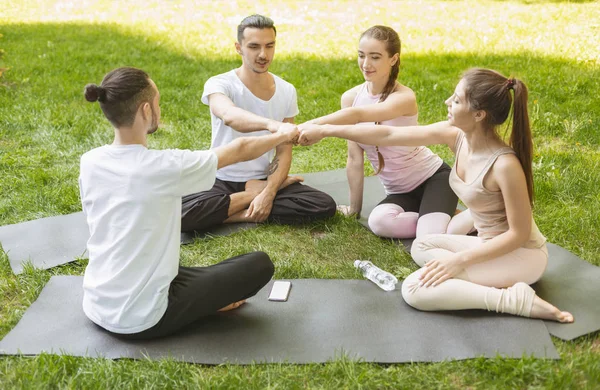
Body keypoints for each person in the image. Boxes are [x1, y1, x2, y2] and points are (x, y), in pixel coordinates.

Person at [298, 68, 573, 323]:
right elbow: (388, 132)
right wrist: (325, 130)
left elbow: (519, 235)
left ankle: (513, 300)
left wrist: (458, 261)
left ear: (479, 114)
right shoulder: (457, 136)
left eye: (456, 100)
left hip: (521, 256)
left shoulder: (504, 165)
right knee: (422, 245)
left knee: (414, 289)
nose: (446, 102)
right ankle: (481, 280)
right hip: (488, 244)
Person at [80, 67, 299, 339]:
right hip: (143, 318)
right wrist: (282, 133)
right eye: (158, 102)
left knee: (195, 273)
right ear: (146, 110)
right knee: (259, 264)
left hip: (97, 302)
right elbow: (239, 150)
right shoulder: (163, 167)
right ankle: (204, 304)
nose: (160, 108)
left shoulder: (90, 161)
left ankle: (204, 295)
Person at [181, 14, 336, 232]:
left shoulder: (286, 90)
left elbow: (284, 151)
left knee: (322, 205)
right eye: (254, 46)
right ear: (239, 47)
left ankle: (230, 209)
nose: (263, 55)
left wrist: (269, 192)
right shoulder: (220, 84)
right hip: (219, 178)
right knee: (181, 213)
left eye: (269, 46)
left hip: (263, 178)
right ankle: (247, 208)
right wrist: (273, 126)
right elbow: (230, 116)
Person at [303, 25, 458, 239]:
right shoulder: (350, 97)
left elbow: (359, 115)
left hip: (433, 178)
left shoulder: (404, 97)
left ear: (393, 59)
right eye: (361, 55)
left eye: (375, 57)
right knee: (379, 223)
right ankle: (440, 217)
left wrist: (314, 126)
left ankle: (438, 220)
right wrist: (354, 210)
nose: (366, 64)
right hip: (398, 192)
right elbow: (354, 158)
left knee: (429, 238)